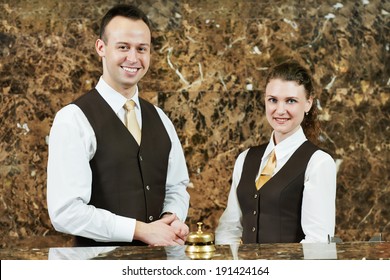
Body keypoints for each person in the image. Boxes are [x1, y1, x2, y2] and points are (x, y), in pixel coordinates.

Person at [47, 4, 190, 247]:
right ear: (101, 48)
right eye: (123, 47)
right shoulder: (73, 119)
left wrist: (171, 219)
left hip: (157, 265)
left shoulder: (160, 118)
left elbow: (176, 187)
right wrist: (140, 230)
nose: (133, 58)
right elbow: (66, 212)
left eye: (141, 49)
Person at [215, 61, 336, 244]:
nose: (280, 110)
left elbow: (318, 242)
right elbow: (229, 228)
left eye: (291, 101)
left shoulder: (318, 162)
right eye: (273, 100)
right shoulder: (245, 158)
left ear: (308, 104)